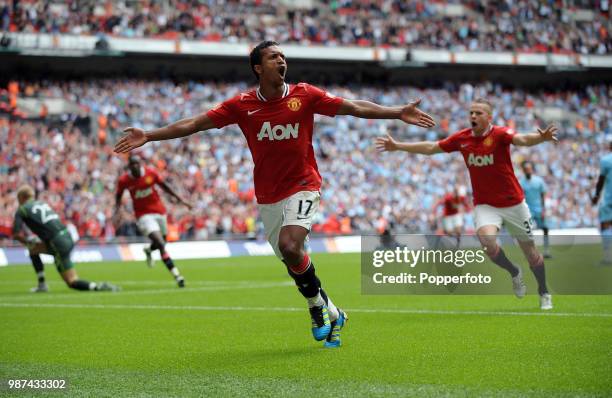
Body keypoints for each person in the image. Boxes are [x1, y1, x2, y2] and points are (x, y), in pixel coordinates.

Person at [114, 40, 436, 347]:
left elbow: (352, 106)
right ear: (257, 68)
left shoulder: (305, 94)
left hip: (304, 184)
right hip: (268, 196)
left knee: (289, 244)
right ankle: (333, 313)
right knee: (292, 259)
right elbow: (195, 124)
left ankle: (314, 309)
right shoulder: (241, 105)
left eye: (282, 56)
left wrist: (396, 112)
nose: (281, 60)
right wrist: (150, 135)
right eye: (273, 57)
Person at [376, 98, 557, 310]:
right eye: (471, 112)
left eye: (478, 113)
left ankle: (543, 291)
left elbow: (521, 139)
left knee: (532, 254)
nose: (473, 116)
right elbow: (432, 147)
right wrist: (398, 145)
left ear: (489, 117)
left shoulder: (500, 134)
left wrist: (540, 138)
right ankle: (514, 271)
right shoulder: (462, 139)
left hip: (513, 203)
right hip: (485, 204)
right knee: (488, 244)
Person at [12, 185, 119, 292]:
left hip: (56, 242)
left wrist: (27, 242)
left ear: (21, 197)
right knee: (33, 250)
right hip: (66, 235)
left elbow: (15, 234)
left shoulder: (22, 209)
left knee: (71, 281)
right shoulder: (42, 204)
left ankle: (98, 287)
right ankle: (42, 284)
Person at [114, 155, 191, 287]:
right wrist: (117, 211)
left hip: (159, 212)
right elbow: (118, 196)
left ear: (141, 164)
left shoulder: (151, 173)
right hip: (143, 216)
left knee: (163, 241)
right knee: (161, 243)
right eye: (132, 165)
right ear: (129, 167)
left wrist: (181, 200)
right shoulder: (124, 180)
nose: (135, 167)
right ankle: (177, 276)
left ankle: (149, 250)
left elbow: (165, 187)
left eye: (137, 164)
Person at [520, 160, 551, 258]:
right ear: (523, 170)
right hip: (527, 210)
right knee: (528, 232)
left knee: (545, 229)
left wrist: (543, 209)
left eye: (529, 169)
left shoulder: (539, 181)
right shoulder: (521, 182)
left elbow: (543, 195)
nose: (528, 171)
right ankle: (531, 253)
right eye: (526, 169)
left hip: (539, 209)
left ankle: (546, 251)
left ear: (532, 169)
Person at [591, 139, 612, 265]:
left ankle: (607, 256)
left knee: (605, 225)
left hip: (609, 200)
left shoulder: (606, 160)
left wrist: (596, 195)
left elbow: (601, 180)